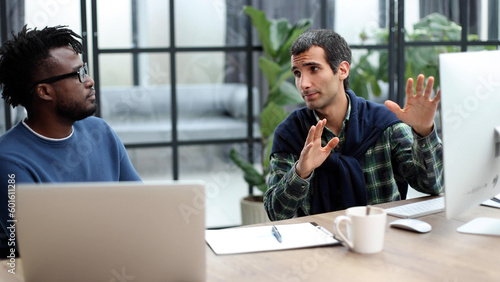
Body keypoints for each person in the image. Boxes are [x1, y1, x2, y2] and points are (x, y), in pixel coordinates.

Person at [264, 29, 443, 221]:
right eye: (297, 73)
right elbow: (276, 214)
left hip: (383, 239)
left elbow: (431, 186)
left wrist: (424, 131)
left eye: (313, 69)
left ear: (342, 70)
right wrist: (301, 172)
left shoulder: (384, 125)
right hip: (316, 245)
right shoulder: (290, 133)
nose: (303, 83)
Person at [0, 25, 141, 253]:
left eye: (85, 70)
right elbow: (40, 249)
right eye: (79, 74)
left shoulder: (100, 131)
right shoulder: (8, 160)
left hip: (120, 259)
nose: (90, 81)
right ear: (45, 92)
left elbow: (142, 206)